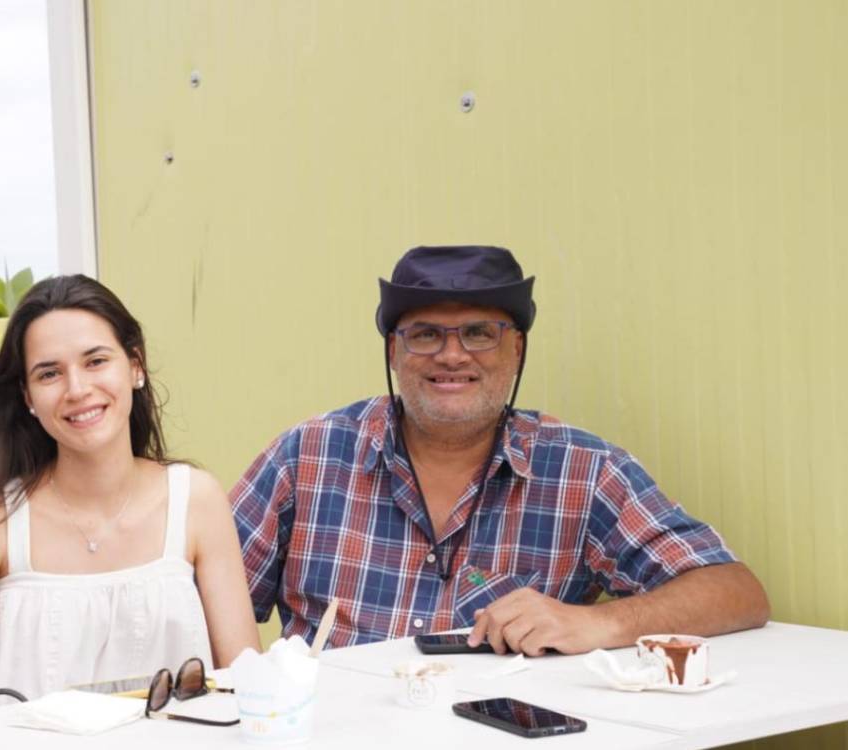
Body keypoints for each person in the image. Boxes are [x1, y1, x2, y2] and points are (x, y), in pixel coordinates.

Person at [231, 245, 770, 656]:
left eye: (479, 333)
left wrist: (599, 624)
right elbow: (189, 605)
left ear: (517, 349)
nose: (451, 355)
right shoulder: (308, 457)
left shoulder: (583, 472)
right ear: (394, 352)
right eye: (424, 335)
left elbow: (735, 592)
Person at [0, 274, 259, 719]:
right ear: (27, 396)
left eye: (96, 361)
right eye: (49, 373)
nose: (77, 389)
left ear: (136, 367)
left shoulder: (196, 500)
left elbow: (246, 681)